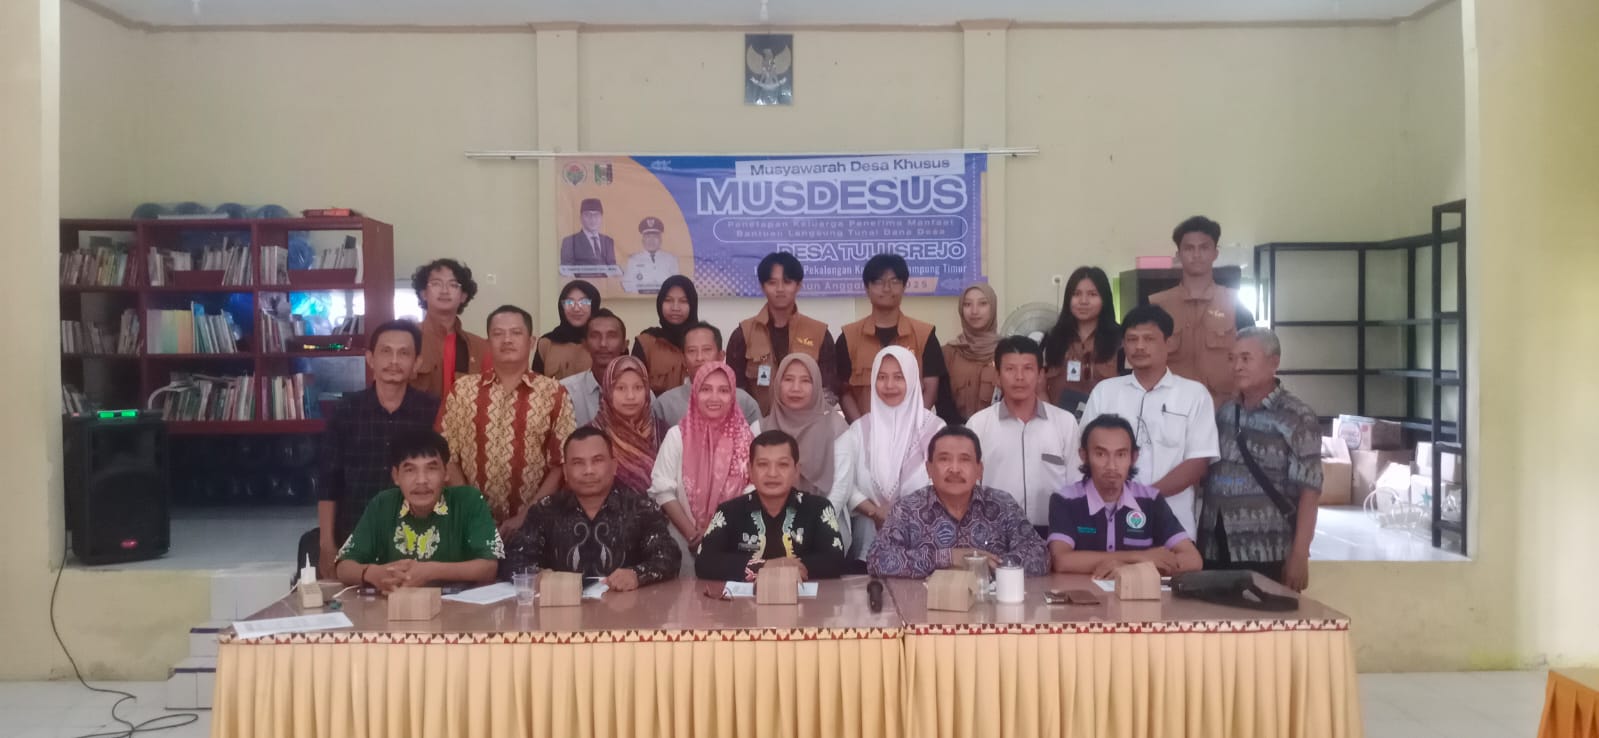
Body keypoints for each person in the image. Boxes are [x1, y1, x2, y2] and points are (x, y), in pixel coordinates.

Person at [1079, 305, 1219, 537]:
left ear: (1168, 343)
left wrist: (1143, 497)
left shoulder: (1194, 394)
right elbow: (1085, 452)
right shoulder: (1105, 391)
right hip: (1108, 519)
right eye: (1132, 339)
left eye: (1149, 339)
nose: (1139, 346)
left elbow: (1198, 462)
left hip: (1173, 522)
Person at [314, 320, 441, 577]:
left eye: (403, 353)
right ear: (370, 358)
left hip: (416, 536)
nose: (394, 361)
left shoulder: (432, 410)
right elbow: (329, 482)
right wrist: (326, 543)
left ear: (417, 363)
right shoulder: (346, 411)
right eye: (386, 351)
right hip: (355, 535)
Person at [1200, 328, 1322, 591]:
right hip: (1215, 544)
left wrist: (1300, 554)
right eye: (1232, 358)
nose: (1237, 366)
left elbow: (1310, 492)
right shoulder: (1226, 412)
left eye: (1246, 358)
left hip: (1267, 547)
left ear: (1273, 362)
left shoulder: (1297, 417)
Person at [438, 305, 577, 532]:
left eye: (516, 332)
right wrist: (473, 510)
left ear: (531, 342)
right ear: (488, 342)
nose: (507, 340)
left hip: (535, 525)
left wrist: (527, 515)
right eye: (498, 333)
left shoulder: (553, 393)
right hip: (469, 522)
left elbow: (562, 463)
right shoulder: (462, 391)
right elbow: (445, 454)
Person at [501, 428, 680, 590]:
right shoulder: (545, 511)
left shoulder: (641, 509)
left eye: (597, 460)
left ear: (614, 466)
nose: (588, 471)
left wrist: (636, 575)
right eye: (578, 463)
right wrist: (542, 577)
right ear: (565, 471)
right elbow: (514, 561)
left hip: (624, 611)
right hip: (562, 611)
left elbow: (668, 557)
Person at [866, 426, 1049, 579]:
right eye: (944, 459)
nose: (954, 469)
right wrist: (948, 558)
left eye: (964, 460)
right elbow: (876, 559)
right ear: (929, 469)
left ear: (979, 469)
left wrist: (984, 564)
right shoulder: (908, 509)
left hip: (992, 607)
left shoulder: (1002, 505)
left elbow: (1040, 554)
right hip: (925, 607)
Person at [334, 430, 501, 592]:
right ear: (396, 476)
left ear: (446, 473)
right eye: (410, 470)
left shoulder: (468, 500)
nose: (421, 480)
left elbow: (489, 568)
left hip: (458, 607)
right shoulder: (382, 504)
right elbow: (343, 566)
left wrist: (431, 571)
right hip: (395, 607)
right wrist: (372, 573)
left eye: (431, 468)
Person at [1048, 415, 1202, 578]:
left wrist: (1130, 568)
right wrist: (1139, 557)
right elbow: (1061, 560)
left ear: (1133, 458)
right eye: (1101, 454)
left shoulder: (1150, 500)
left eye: (1121, 455)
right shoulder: (1065, 500)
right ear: (1084, 456)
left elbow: (1193, 559)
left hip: (1137, 593)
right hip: (1082, 593)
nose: (1111, 466)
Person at [830, 346, 945, 561]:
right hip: (867, 541)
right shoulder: (859, 430)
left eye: (898, 377)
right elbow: (845, 482)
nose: (889, 385)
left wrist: (902, 513)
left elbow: (942, 482)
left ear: (912, 379)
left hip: (922, 541)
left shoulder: (935, 429)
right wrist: (874, 511)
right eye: (882, 377)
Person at [963, 336, 1082, 534]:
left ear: (1040, 374)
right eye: (1010, 369)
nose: (1019, 377)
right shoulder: (978, 424)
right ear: (997, 376)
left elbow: (1076, 482)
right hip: (995, 531)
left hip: (1054, 532)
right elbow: (969, 485)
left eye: (1028, 368)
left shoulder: (1065, 422)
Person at [695, 431, 847, 582]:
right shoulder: (729, 512)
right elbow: (704, 561)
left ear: (796, 471)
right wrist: (764, 566)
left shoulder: (819, 509)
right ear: (750, 470)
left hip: (805, 597)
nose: (772, 473)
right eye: (763, 464)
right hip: (743, 599)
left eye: (783, 465)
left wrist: (783, 568)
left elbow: (835, 560)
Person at [649, 362, 756, 571]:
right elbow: (662, 490)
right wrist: (691, 534)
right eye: (706, 389)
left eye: (723, 390)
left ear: (733, 395)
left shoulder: (746, 438)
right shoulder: (677, 436)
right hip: (683, 541)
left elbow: (753, 489)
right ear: (695, 393)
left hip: (734, 542)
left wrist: (720, 533)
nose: (714, 397)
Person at [1149, 216, 1257, 408]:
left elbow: (1252, 361)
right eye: (1189, 248)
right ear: (1178, 254)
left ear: (1215, 253)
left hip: (1224, 411)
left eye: (1204, 248)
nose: (1196, 255)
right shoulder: (1157, 306)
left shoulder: (1236, 306)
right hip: (1169, 409)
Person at [835, 254, 946, 422]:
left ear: (904, 286)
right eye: (878, 281)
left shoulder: (924, 335)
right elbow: (844, 392)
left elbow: (931, 389)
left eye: (894, 281)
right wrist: (862, 430)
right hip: (865, 432)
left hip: (912, 431)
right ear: (867, 288)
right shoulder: (849, 337)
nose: (887, 288)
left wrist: (912, 427)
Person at [726, 252, 838, 415]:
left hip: (807, 424)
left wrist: (812, 422)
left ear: (798, 285)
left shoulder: (819, 333)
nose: (780, 289)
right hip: (759, 425)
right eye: (772, 283)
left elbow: (829, 390)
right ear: (762, 286)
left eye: (787, 282)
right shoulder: (743, 334)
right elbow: (735, 391)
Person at [760, 354, 847, 496]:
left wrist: (820, 511)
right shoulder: (759, 429)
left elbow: (841, 487)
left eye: (806, 380)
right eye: (788, 379)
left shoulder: (836, 429)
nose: (796, 388)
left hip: (826, 508)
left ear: (817, 385)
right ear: (777, 383)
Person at [1042, 266, 1123, 415]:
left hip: (1105, 423)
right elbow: (1040, 389)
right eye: (1076, 294)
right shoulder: (1051, 339)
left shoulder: (1120, 340)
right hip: (1059, 423)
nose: (1083, 301)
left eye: (1092, 294)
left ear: (1104, 299)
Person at [652, 321, 762, 427]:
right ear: (683, 359)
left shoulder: (743, 401)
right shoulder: (665, 405)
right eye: (692, 351)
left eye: (707, 350)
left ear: (720, 356)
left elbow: (759, 439)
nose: (699, 358)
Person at [408, 258, 489, 399]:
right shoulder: (407, 339)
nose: (444, 291)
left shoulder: (480, 347)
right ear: (424, 293)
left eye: (453, 285)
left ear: (463, 296)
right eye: (436, 283)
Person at [589, 355, 666, 494]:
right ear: (608, 390)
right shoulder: (591, 435)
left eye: (638, 387)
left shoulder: (663, 432)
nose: (630, 396)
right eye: (621, 388)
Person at [941, 283, 1002, 422]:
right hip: (957, 431)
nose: (974, 311)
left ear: (993, 307)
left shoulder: (1005, 351)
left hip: (997, 430)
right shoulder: (948, 352)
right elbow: (943, 403)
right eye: (967, 304)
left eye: (983, 303)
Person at [559, 309, 627, 427]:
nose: (603, 344)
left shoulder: (640, 392)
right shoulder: (565, 391)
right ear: (584, 344)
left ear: (624, 345)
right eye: (595, 336)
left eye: (611, 336)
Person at [632, 274, 698, 395]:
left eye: (683, 301)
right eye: (668, 300)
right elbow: (634, 391)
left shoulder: (704, 341)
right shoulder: (646, 343)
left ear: (693, 305)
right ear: (660, 303)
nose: (675, 307)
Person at [533, 280, 600, 380]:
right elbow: (536, 384)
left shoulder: (603, 342)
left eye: (584, 302)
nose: (576, 309)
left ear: (594, 305)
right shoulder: (547, 343)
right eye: (569, 302)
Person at [621, 216, 681, 294]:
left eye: (655, 237)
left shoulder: (671, 259)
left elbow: (676, 283)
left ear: (660, 240)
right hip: (641, 299)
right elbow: (626, 283)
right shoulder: (633, 260)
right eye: (648, 237)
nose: (651, 240)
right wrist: (642, 293)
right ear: (643, 240)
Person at [559, 198, 617, 268]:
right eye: (587, 215)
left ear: (601, 218)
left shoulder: (608, 241)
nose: (593, 219)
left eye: (596, 215)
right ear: (580, 218)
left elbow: (613, 268)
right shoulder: (570, 242)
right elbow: (566, 270)